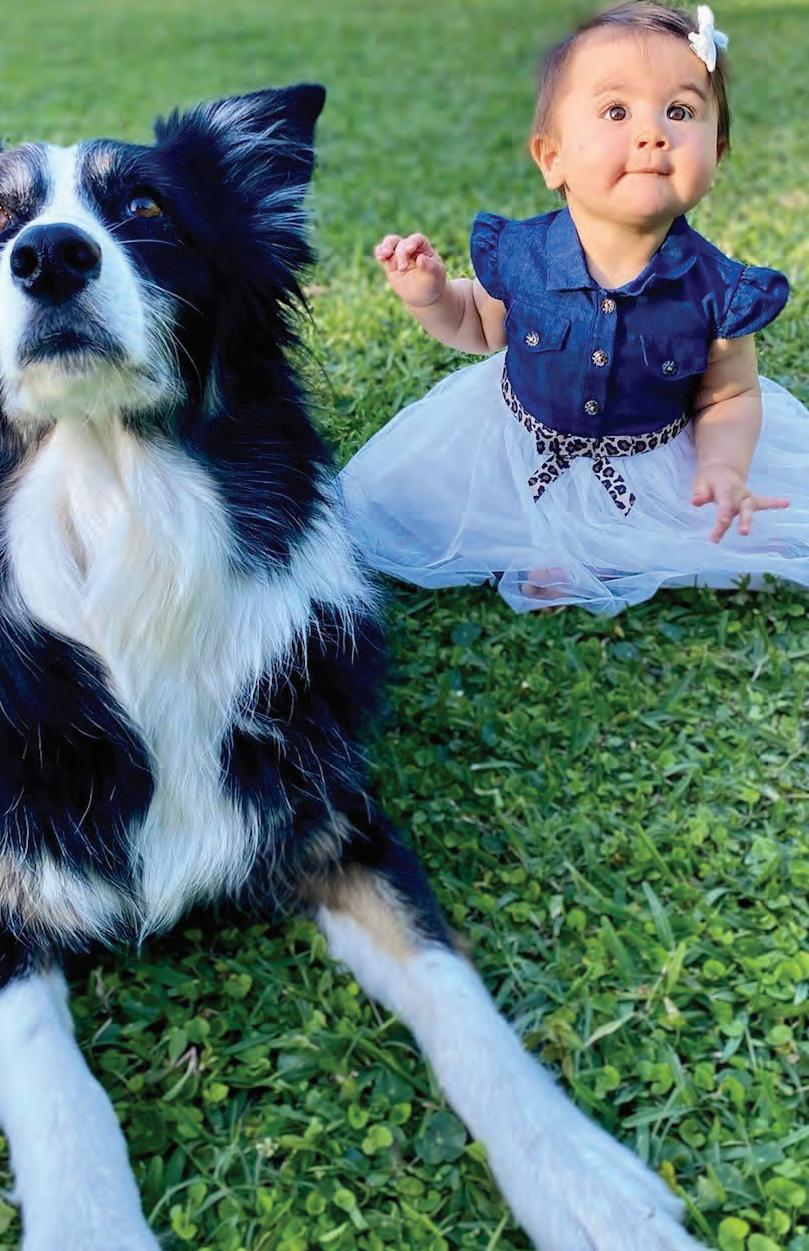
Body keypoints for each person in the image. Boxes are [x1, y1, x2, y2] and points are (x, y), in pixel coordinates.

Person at [340, 2, 809, 615]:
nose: (652, 133)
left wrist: (723, 465)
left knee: (703, 532)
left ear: (717, 156)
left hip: (650, 457)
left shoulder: (717, 290)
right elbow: (478, 324)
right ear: (551, 158)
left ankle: (602, 552)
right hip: (520, 444)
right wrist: (432, 295)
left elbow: (729, 395)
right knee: (422, 505)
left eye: (680, 111)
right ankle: (554, 544)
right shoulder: (525, 256)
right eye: (617, 111)